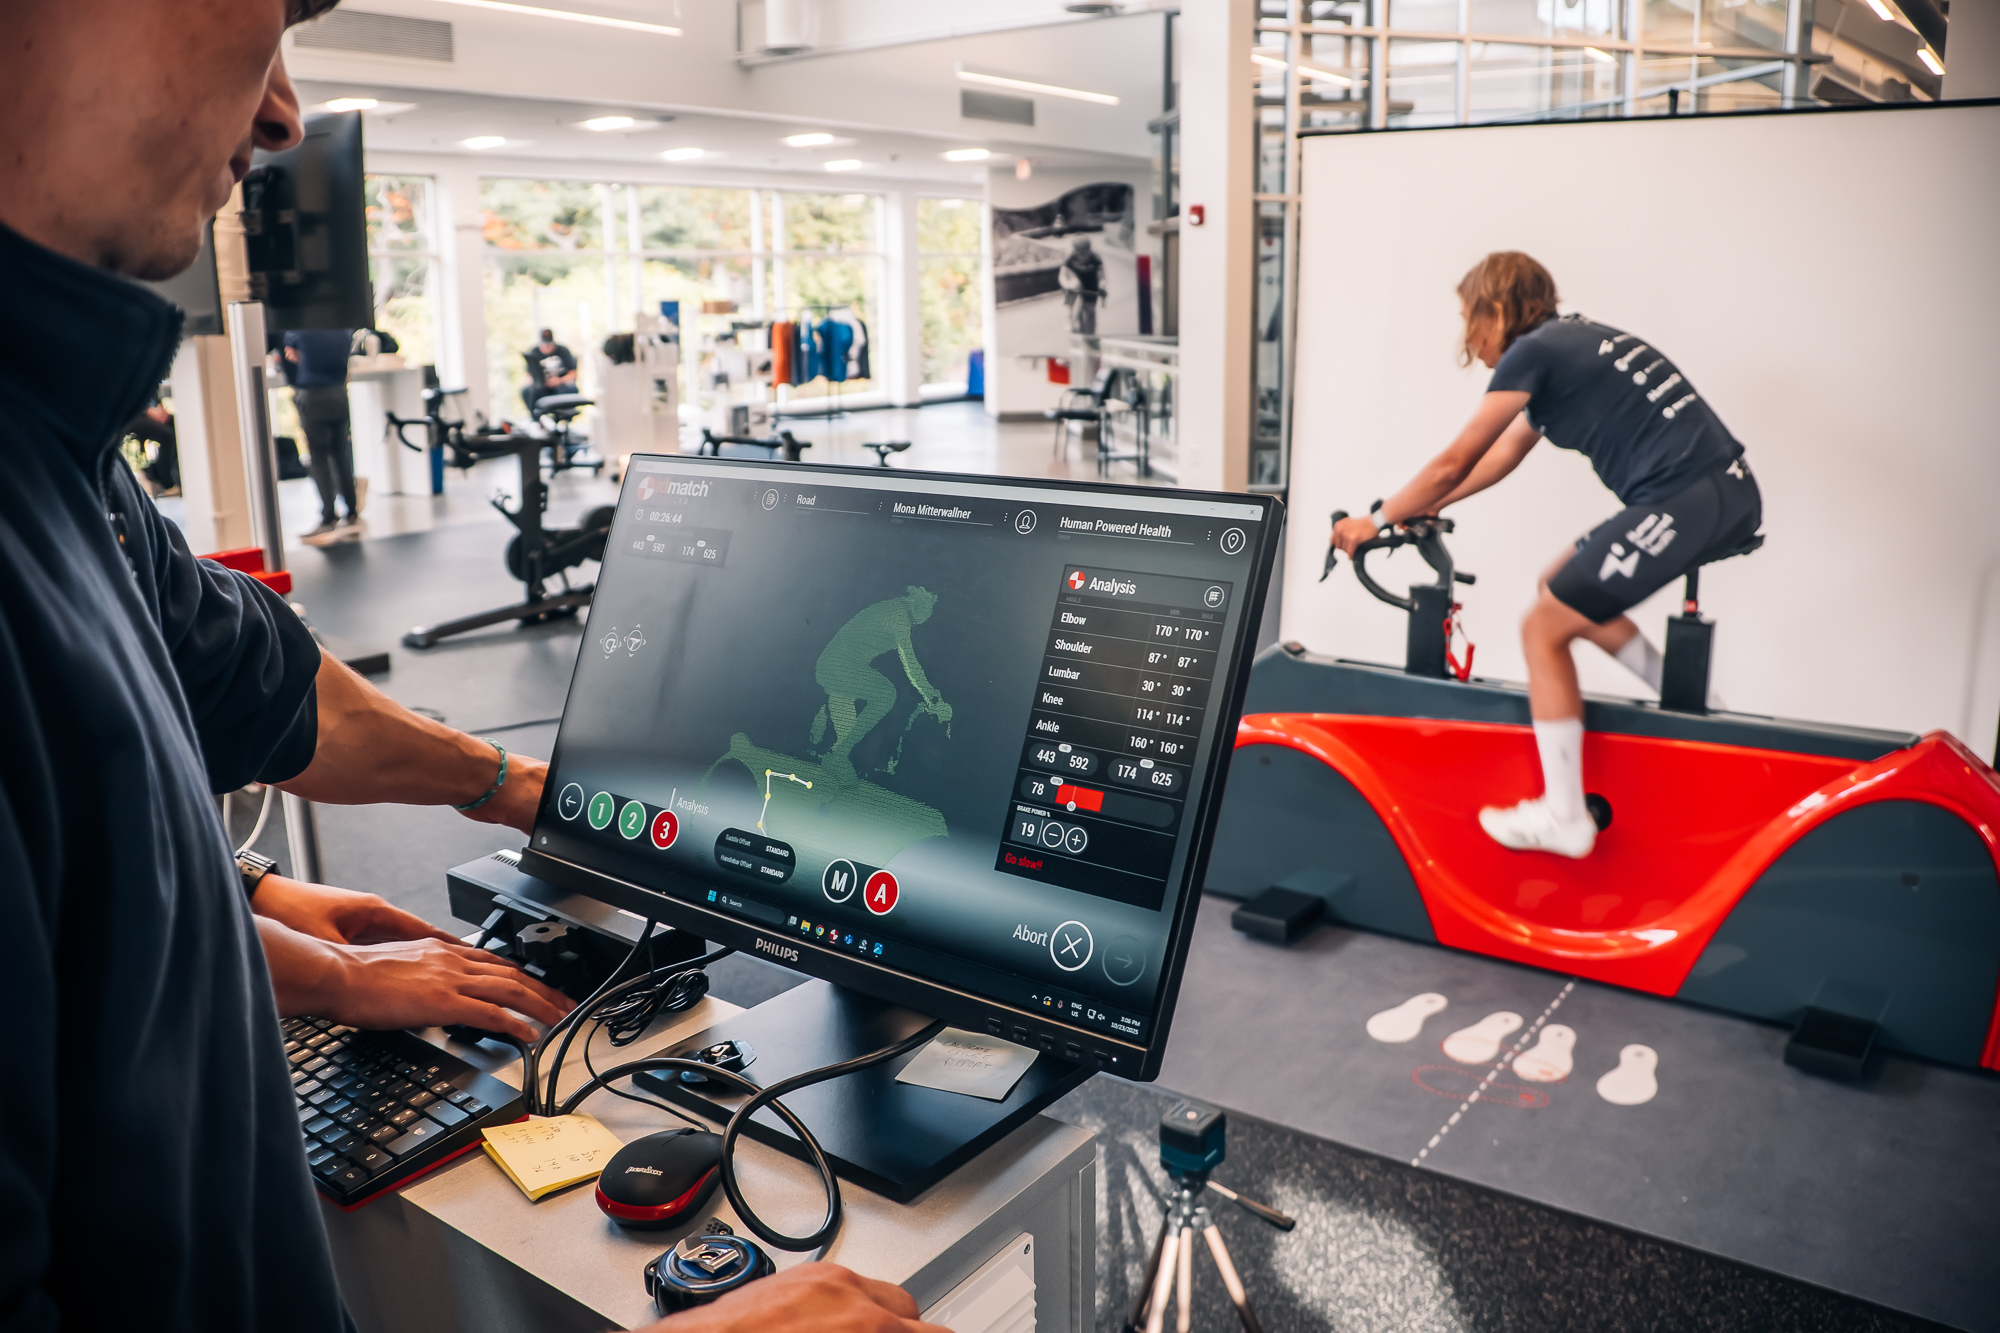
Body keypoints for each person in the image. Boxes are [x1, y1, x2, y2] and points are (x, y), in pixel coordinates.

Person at [0, 4, 942, 1331]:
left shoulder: (53, 454)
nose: (280, 111)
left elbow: (261, 684)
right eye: (259, 16)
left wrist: (476, 803)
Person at [1330, 252, 1761, 859]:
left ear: (1498, 310)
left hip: (1692, 496)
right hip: (1712, 492)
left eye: (1467, 317)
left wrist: (1372, 521)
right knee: (1558, 585)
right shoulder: (1569, 343)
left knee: (1542, 629)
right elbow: (1500, 457)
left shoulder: (1532, 353)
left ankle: (1564, 817)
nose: (1468, 337)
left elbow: (1454, 460)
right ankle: (1695, 705)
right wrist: (1417, 508)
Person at [281, 324, 361, 540]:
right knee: (341, 454)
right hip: (338, 395)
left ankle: (328, 517)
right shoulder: (344, 331)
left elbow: (289, 353)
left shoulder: (301, 331)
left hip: (314, 397)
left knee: (319, 458)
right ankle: (352, 512)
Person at [522, 327, 578, 415]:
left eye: (549, 344)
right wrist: (541, 382)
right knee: (527, 391)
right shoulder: (534, 352)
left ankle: (563, 416)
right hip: (543, 387)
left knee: (571, 389)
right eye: (545, 345)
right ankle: (538, 420)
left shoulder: (563, 350)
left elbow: (573, 374)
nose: (547, 347)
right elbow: (528, 376)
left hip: (561, 386)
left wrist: (560, 380)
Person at [1058, 236, 1105, 335]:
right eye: (1079, 252)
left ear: (1089, 249)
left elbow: (1101, 274)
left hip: (1091, 282)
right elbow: (1062, 275)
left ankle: (1092, 333)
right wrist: (1067, 285)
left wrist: (1102, 284)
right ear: (1075, 250)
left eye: (1085, 252)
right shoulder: (1070, 257)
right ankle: (1070, 317)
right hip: (1074, 282)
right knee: (1075, 284)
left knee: (1091, 310)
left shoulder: (1095, 257)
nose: (1082, 256)